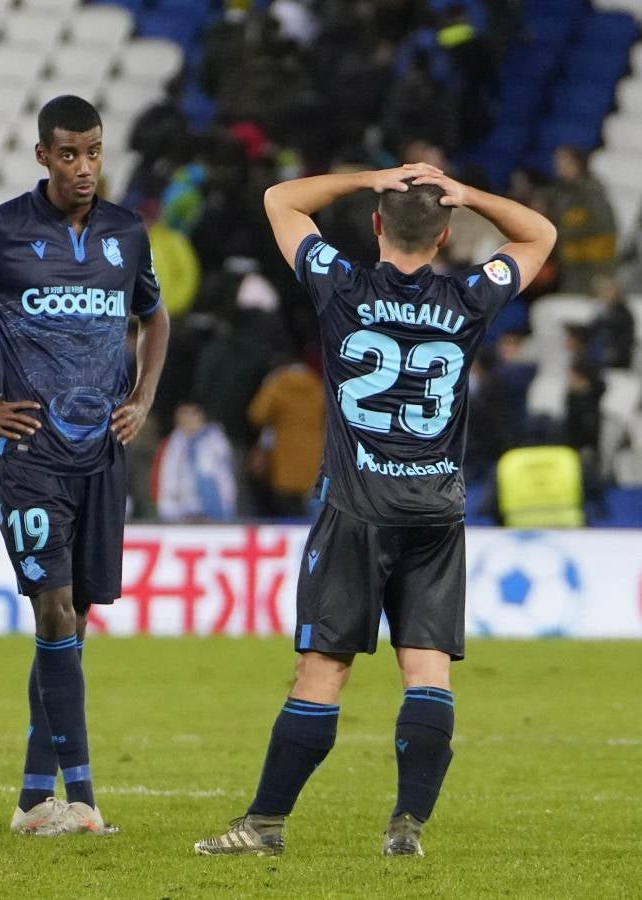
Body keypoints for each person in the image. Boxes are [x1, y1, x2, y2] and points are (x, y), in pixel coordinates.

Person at [192, 162, 555, 858]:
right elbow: (538, 234)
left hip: (356, 508)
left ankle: (264, 826)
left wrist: (371, 177)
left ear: (376, 225)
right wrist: (469, 192)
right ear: (447, 233)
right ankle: (406, 828)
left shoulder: (341, 284)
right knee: (426, 672)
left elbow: (279, 198)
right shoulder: (468, 296)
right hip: (434, 512)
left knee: (322, 671)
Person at [0, 95, 170, 836]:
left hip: (100, 456)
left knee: (69, 626)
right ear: (43, 156)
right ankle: (80, 799)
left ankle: (28, 802)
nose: (84, 167)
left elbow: (155, 315)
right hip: (29, 457)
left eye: (94, 152)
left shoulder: (125, 233)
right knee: (52, 608)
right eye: (69, 154)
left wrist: (142, 396)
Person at [246, 355, 325, 517]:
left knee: (288, 505)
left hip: (286, 455)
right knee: (314, 502)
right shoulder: (316, 384)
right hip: (315, 455)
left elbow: (257, 415)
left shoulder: (277, 385)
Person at [547, 146, 616, 294]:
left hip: (592, 261)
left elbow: (601, 223)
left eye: (563, 162)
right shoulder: (558, 190)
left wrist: (564, 232)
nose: (558, 166)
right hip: (569, 261)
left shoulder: (592, 190)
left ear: (576, 163)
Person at [155, 402, 236, 522]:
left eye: (188, 415)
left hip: (214, 512)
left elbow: (225, 478)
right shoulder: (175, 443)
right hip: (183, 512)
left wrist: (227, 507)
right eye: (180, 417)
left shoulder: (215, 440)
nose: (184, 420)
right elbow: (168, 478)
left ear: (199, 416)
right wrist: (167, 510)